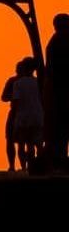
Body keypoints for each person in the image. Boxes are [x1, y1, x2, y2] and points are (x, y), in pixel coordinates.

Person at [4, 57, 44, 171]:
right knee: (35, 143)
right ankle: (37, 165)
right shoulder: (38, 82)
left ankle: (23, 167)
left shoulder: (17, 83)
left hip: (22, 117)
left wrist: (15, 116)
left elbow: (15, 101)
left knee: (21, 143)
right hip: (37, 115)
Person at [47, 14, 69, 167]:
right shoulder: (60, 42)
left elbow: (50, 71)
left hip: (58, 93)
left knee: (60, 130)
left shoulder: (53, 43)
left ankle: (60, 158)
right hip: (62, 92)